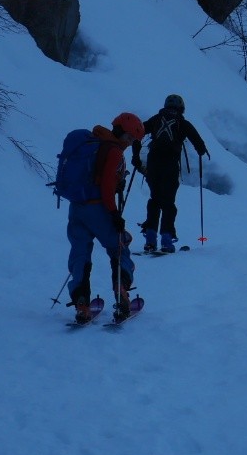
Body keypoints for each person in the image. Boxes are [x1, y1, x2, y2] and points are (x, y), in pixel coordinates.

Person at [66, 113, 144, 324]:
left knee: (80, 252)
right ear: (120, 131)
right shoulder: (113, 151)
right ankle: (122, 292)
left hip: (76, 208)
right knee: (119, 246)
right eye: (129, 138)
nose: (128, 144)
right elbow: (107, 187)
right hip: (98, 209)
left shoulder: (94, 142)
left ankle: (81, 302)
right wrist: (114, 214)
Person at [133, 93, 210, 253]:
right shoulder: (183, 123)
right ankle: (166, 240)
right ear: (181, 108)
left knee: (154, 200)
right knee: (168, 202)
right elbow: (199, 143)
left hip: (153, 164)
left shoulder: (156, 119)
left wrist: (136, 157)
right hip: (170, 166)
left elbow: (138, 132)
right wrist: (202, 151)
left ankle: (150, 240)